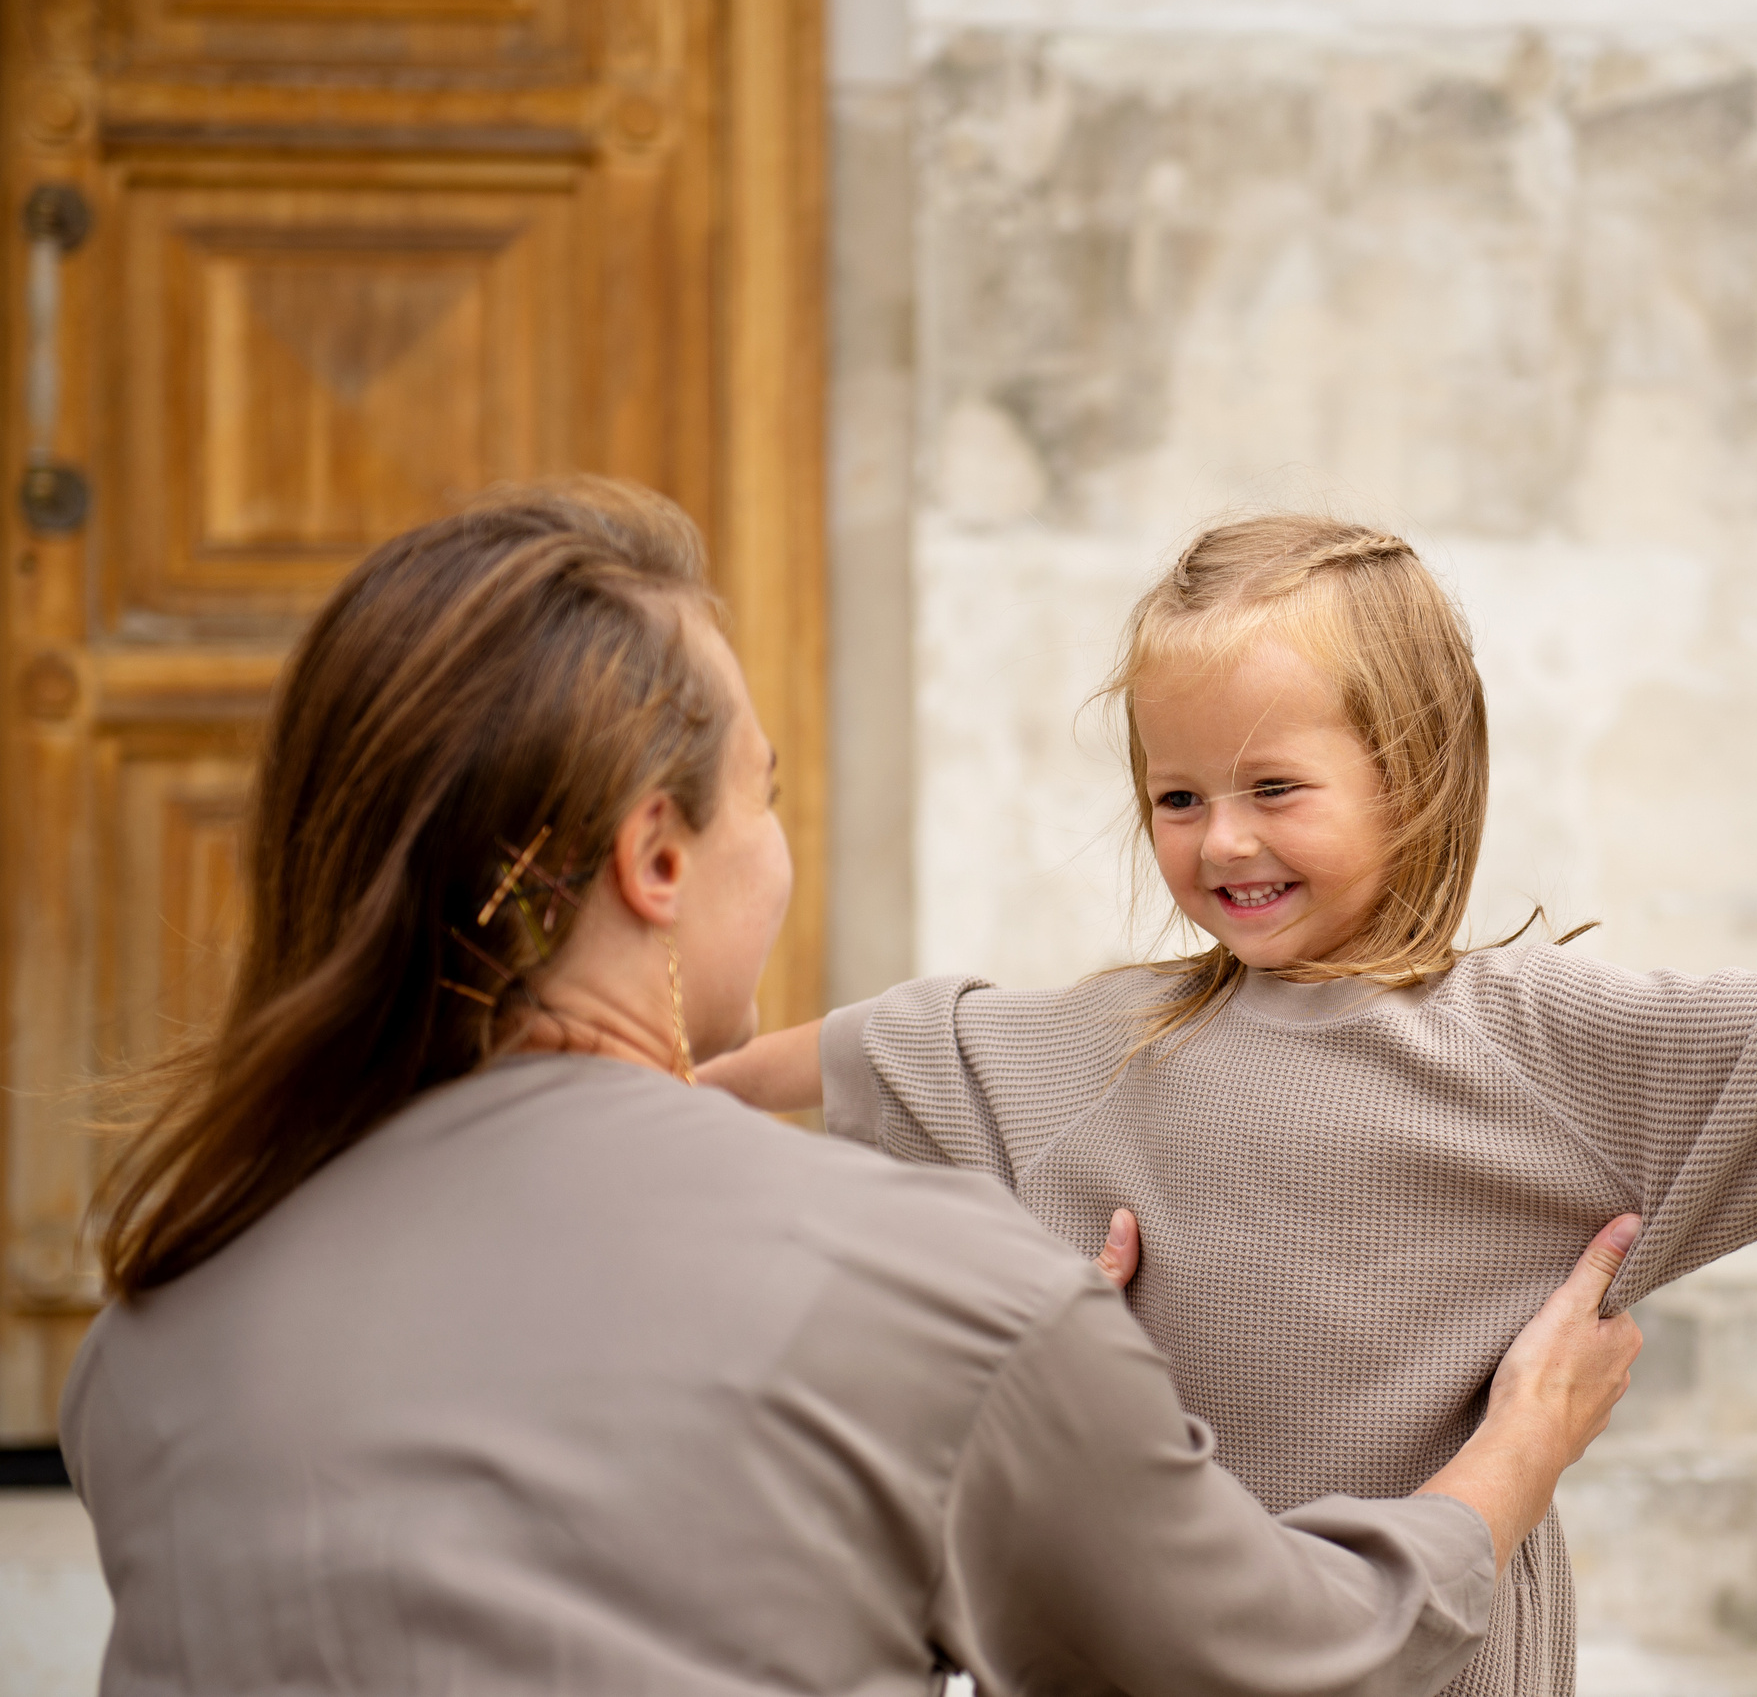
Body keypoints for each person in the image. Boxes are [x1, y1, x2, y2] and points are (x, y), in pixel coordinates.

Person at [60, 482, 1649, 1697]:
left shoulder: (152, 1337)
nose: (783, 841)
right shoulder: (937, 1300)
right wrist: (1516, 1451)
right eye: (767, 790)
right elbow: (1284, 1663)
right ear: (660, 859)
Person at [707, 513, 1757, 1697]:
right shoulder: (1104, 1048)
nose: (1220, 842)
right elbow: (892, 1049)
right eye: (1177, 798)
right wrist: (680, 1083)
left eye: (1275, 788)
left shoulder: (1543, 1052)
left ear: (1411, 772)